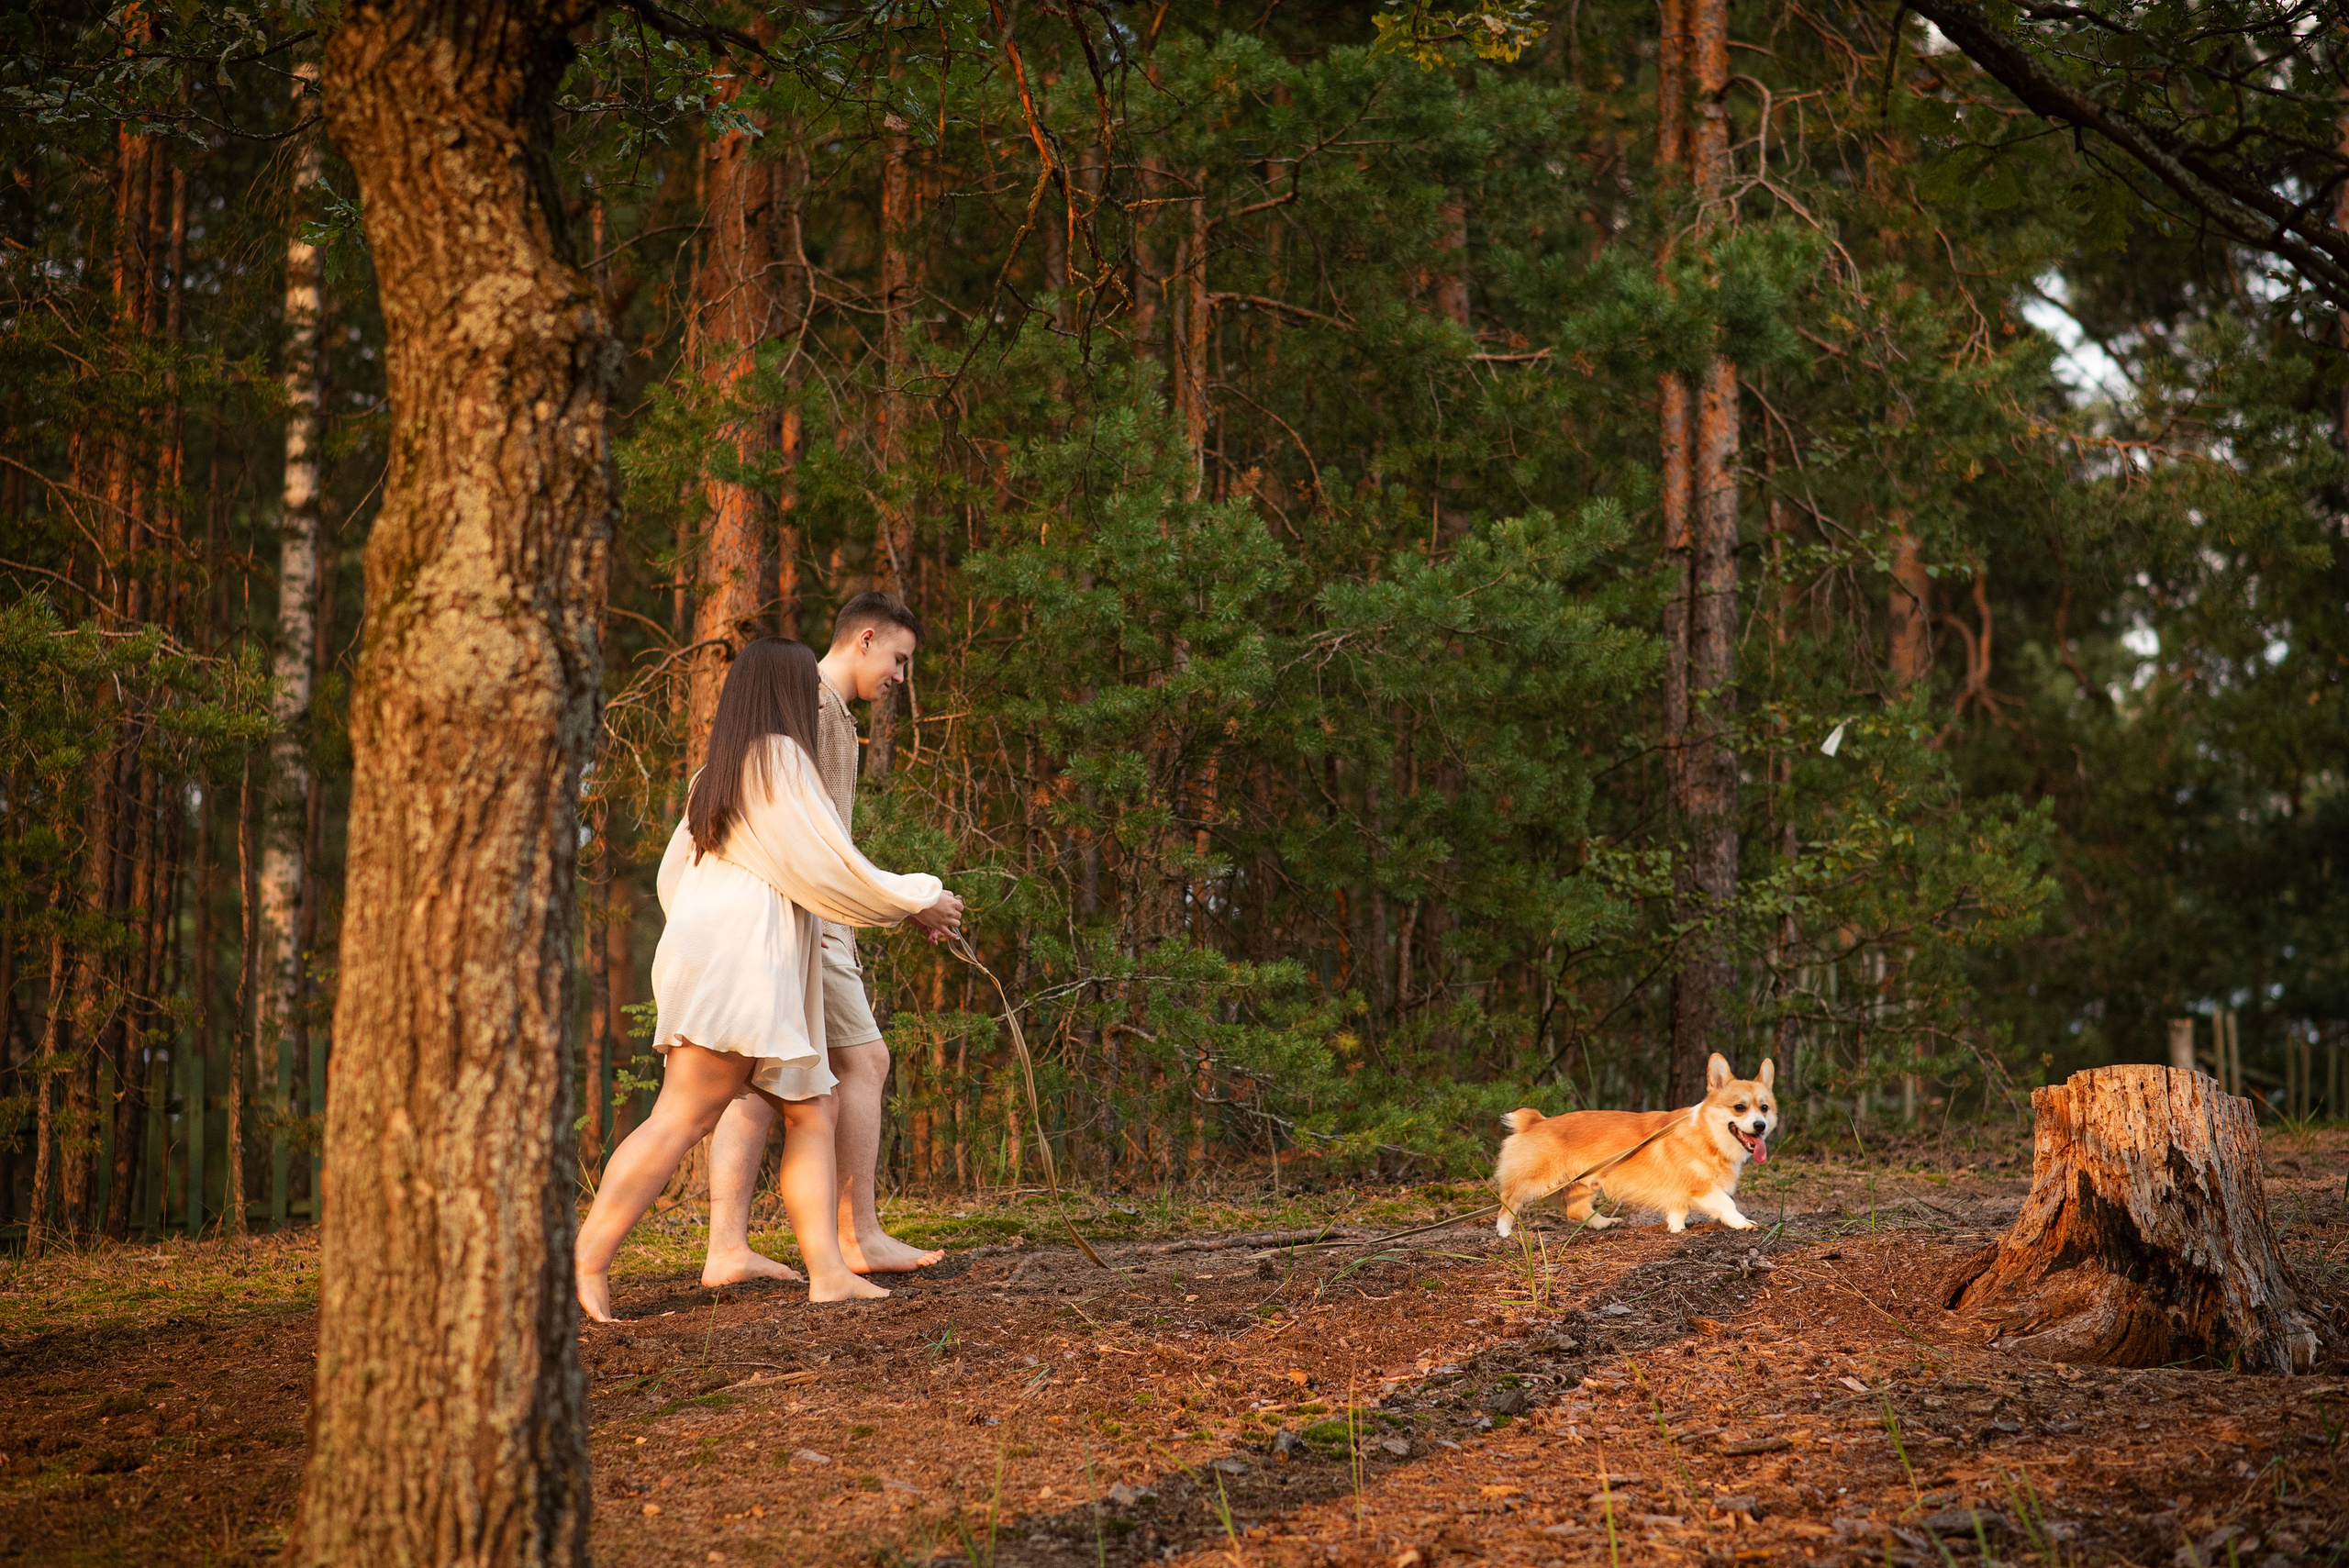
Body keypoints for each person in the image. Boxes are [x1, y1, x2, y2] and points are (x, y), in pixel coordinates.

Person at [573, 637, 964, 1321]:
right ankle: (586, 1263)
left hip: (731, 956)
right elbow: (830, 866)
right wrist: (917, 895)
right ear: (788, 694)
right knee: (682, 1115)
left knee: (815, 1108)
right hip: (748, 962)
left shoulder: (716, 774)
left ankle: (829, 1273)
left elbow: (674, 880)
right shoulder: (782, 761)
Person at [700, 593, 959, 1286]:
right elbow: (799, 834)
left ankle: (727, 1247)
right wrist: (910, 899)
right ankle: (858, 1235)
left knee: (756, 1075)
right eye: (899, 659)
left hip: (805, 917)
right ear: (867, 639)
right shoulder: (808, 704)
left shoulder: (825, 711)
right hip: (801, 918)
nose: (900, 677)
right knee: (865, 1061)